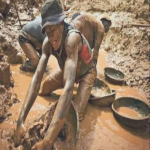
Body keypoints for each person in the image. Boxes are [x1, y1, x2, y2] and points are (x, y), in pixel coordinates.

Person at [15, 0, 96, 149]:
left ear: (61, 23)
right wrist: (20, 120)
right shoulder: (47, 43)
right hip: (68, 69)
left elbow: (68, 87)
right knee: (44, 89)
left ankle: (85, 94)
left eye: (53, 31)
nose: (51, 38)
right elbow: (36, 78)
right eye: (47, 32)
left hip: (86, 73)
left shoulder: (71, 39)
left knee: (75, 117)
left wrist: (48, 140)